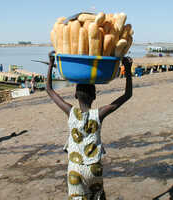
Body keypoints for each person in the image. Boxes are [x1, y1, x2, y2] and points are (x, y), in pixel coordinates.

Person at [46, 51, 133, 199]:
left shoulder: (70, 112)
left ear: (75, 96)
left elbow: (49, 89)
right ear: (94, 96)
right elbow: (127, 94)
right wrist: (128, 69)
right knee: (98, 195)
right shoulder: (98, 114)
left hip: (75, 168)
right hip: (94, 168)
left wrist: (51, 63)